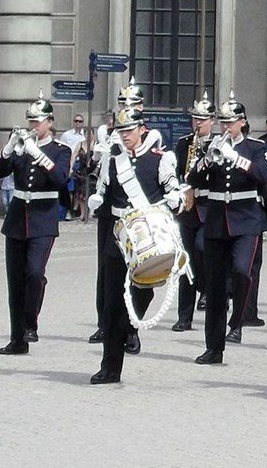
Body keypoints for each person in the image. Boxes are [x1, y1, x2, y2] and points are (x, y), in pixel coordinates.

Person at [86, 106, 182, 385]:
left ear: (142, 129)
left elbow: (171, 188)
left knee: (143, 291)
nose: (125, 135)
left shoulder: (160, 159)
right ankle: (110, 367)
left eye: (129, 130)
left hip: (147, 237)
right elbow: (102, 190)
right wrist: (97, 199)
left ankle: (130, 326)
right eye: (121, 131)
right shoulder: (112, 160)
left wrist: (175, 198)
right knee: (112, 302)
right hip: (118, 237)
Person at [189, 91, 267, 364]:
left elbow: (264, 175)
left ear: (242, 122)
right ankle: (214, 347)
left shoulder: (255, 147)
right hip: (216, 222)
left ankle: (238, 320)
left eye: (230, 122)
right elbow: (192, 177)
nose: (225, 127)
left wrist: (236, 158)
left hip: (246, 220)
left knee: (241, 271)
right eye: (223, 122)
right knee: (214, 286)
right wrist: (207, 161)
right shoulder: (210, 145)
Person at [0, 92, 71, 354]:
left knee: (35, 273)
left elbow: (60, 179)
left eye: (38, 121)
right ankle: (18, 340)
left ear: (50, 121)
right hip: (16, 220)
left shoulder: (61, 150)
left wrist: (38, 154)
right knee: (15, 281)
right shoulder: (22, 147)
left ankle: (30, 323)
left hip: (43, 219)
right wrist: (9, 148)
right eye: (31, 121)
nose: (33, 125)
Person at [88, 80, 162, 347]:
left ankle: (131, 328)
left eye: (131, 104)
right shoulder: (107, 132)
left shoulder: (150, 135)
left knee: (140, 270)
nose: (125, 108)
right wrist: (97, 156)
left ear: (141, 107)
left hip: (137, 213)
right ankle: (104, 324)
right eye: (122, 103)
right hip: (110, 210)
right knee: (106, 270)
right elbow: (91, 170)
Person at [172, 92, 215, 333]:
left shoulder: (218, 144)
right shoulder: (184, 143)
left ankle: (207, 288)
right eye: (195, 118)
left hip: (209, 207)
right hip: (188, 208)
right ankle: (184, 317)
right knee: (185, 261)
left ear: (212, 121)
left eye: (202, 119)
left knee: (202, 249)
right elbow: (179, 171)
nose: (197, 123)